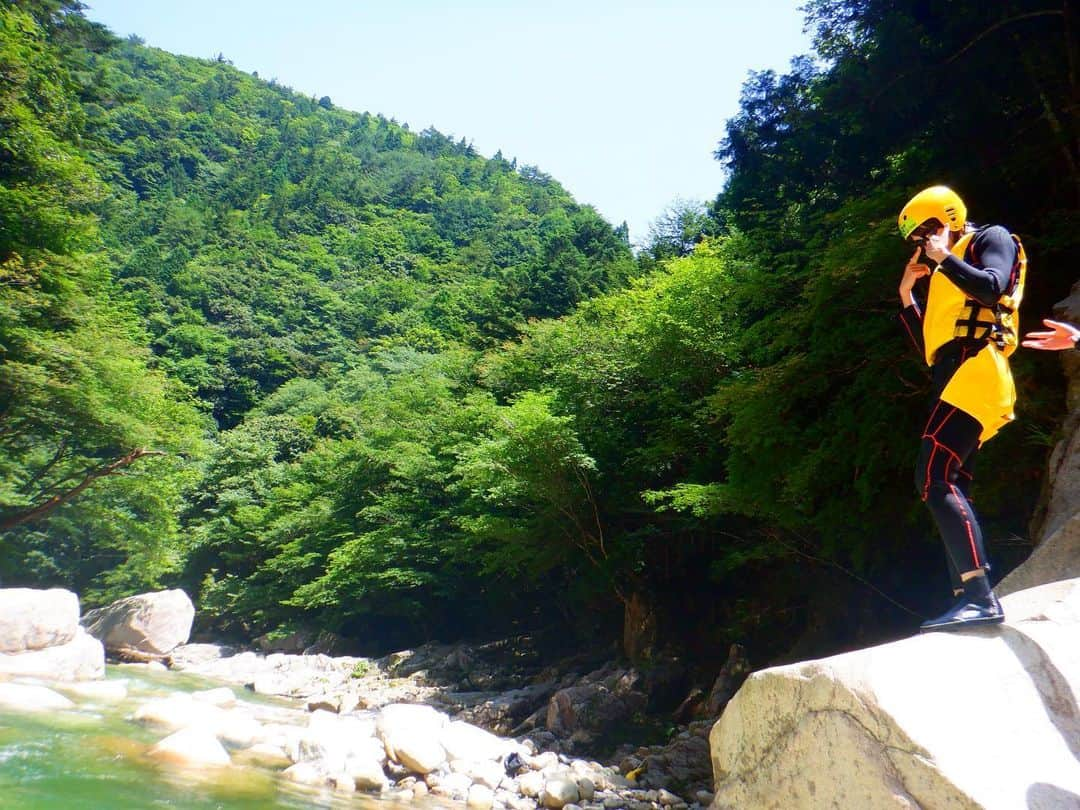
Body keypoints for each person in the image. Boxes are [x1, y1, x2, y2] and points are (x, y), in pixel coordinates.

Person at [896, 185, 1027, 631]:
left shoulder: (991, 238)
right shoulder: (942, 274)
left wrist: (943, 259)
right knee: (950, 483)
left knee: (932, 476)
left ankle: (979, 596)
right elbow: (932, 347)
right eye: (918, 241)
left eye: (925, 234)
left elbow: (993, 289)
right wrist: (907, 296)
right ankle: (966, 597)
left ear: (946, 221)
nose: (922, 245)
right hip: (954, 374)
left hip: (978, 367)